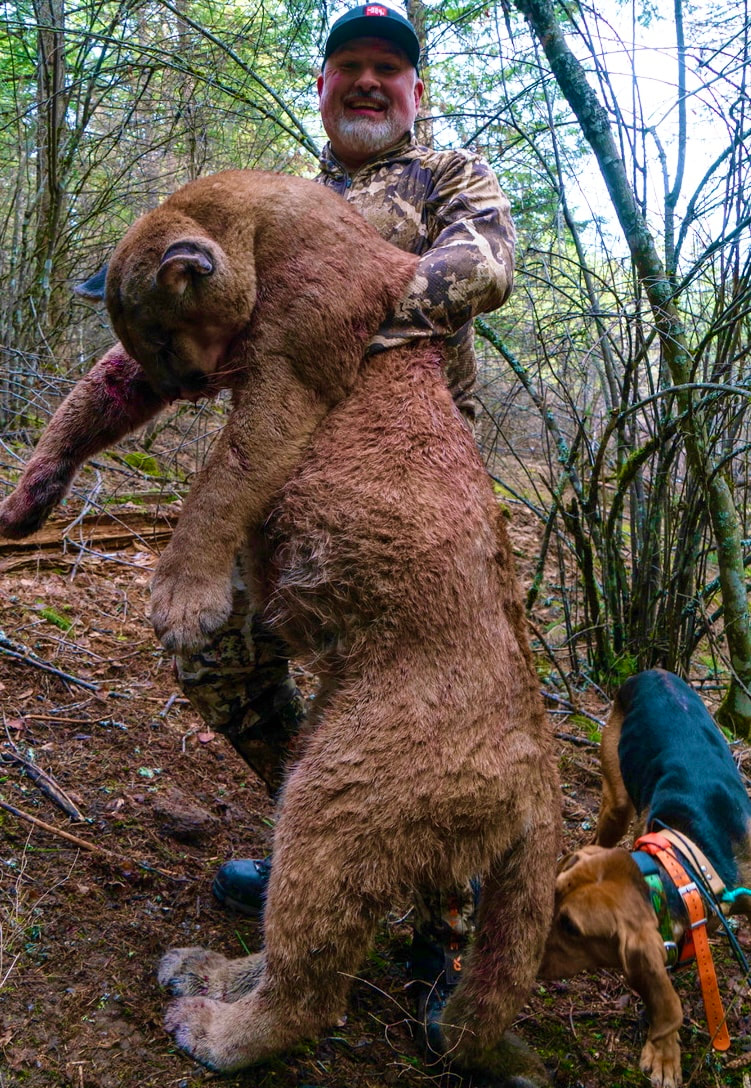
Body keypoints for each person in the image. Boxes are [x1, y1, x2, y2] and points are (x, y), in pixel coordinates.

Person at [180, 1, 516, 1029]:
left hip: (415, 500)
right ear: (320, 87)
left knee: (428, 701)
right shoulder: (282, 197)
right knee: (211, 650)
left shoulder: (449, 175)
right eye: (348, 67)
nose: (368, 81)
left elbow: (483, 269)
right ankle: (327, 839)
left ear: (415, 91)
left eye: (388, 68)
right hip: (286, 492)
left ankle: (436, 920)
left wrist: (340, 319)